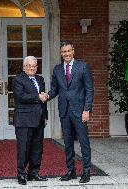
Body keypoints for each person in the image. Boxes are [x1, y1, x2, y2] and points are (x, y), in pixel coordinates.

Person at [46, 41, 94, 183]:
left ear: (73, 51)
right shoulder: (57, 69)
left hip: (79, 111)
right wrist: (47, 96)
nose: (66, 54)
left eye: (68, 51)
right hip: (65, 111)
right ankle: (71, 171)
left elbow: (89, 90)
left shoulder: (83, 67)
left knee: (84, 141)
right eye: (63, 52)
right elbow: (55, 89)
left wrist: (87, 109)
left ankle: (86, 172)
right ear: (61, 54)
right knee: (67, 143)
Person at [12, 56, 48, 185]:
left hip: (39, 119)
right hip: (24, 120)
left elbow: (42, 100)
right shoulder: (18, 79)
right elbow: (20, 96)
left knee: (37, 148)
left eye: (34, 66)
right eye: (29, 65)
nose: (32, 68)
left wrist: (45, 115)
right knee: (24, 148)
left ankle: (34, 173)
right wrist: (38, 96)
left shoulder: (40, 79)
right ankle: (21, 174)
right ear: (24, 67)